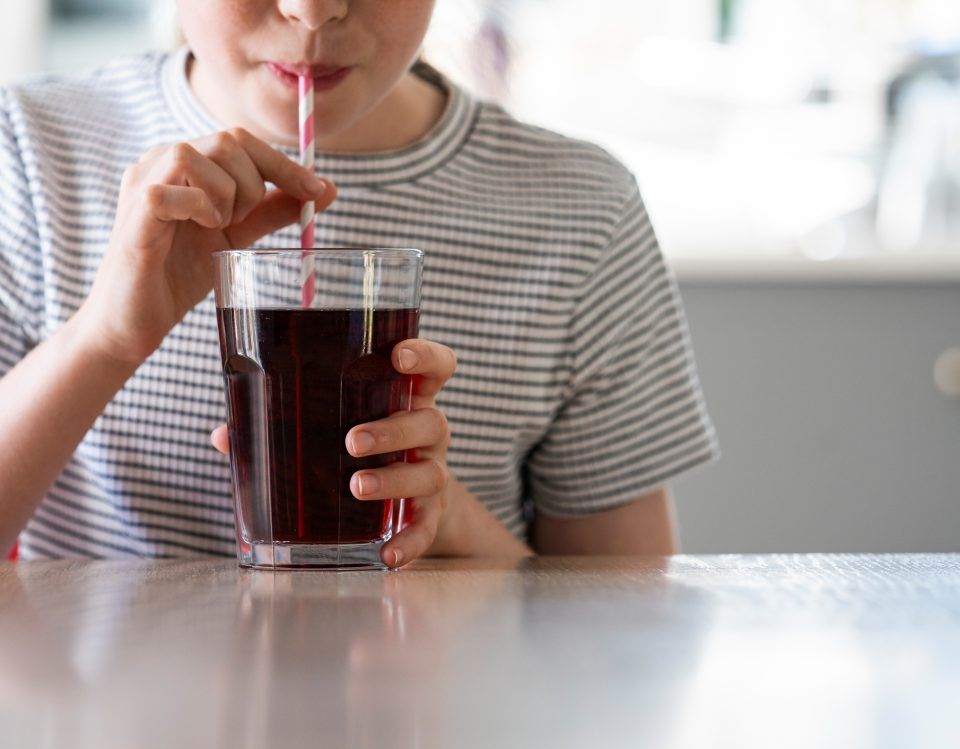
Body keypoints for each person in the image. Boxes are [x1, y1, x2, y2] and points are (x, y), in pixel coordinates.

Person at [0, 0, 718, 566]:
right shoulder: (31, 152)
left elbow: (631, 624)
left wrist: (452, 528)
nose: (313, 12)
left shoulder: (581, 209)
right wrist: (104, 339)